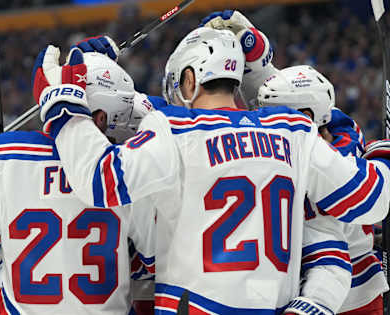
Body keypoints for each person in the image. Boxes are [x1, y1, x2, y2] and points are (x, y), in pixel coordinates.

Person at [32, 27, 390, 314]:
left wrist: (63, 104)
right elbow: (373, 198)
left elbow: (100, 179)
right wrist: (376, 150)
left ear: (191, 79)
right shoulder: (293, 131)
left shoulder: (174, 129)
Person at [0, 49, 156, 315]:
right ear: (101, 118)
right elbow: (150, 262)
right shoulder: (127, 168)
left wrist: (12, 252)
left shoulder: (1, 155)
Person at [257, 65, 388, 314]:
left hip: (344, 297)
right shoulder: (344, 134)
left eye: (269, 111)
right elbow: (329, 118)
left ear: (306, 115)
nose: (263, 119)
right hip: (352, 290)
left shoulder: (310, 164)